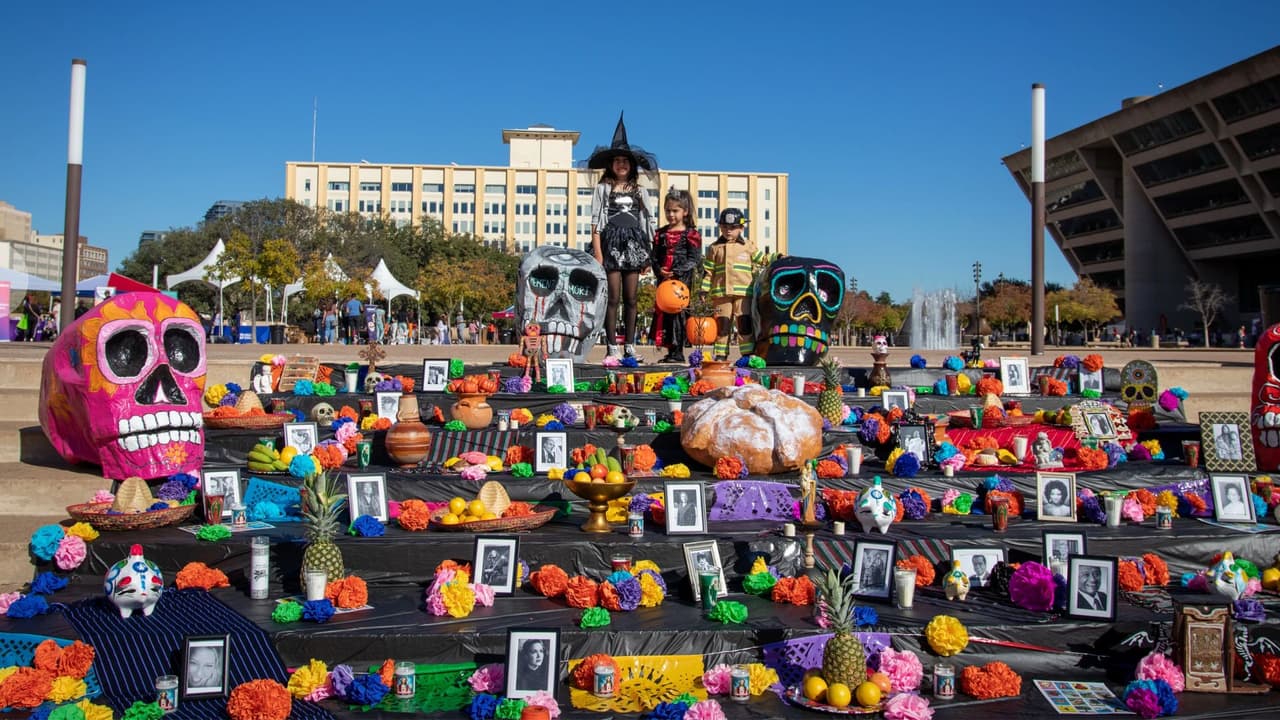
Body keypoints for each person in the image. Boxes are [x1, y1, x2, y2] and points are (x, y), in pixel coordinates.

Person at [589, 113, 657, 361]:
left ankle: (630, 345)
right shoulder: (603, 188)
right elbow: (595, 222)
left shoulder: (640, 191)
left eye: (625, 161)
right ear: (610, 165)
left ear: (631, 165)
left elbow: (648, 222)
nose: (621, 164)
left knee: (631, 297)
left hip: (634, 245)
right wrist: (598, 253)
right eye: (616, 161)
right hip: (611, 244)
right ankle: (611, 346)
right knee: (613, 296)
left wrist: (648, 255)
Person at [700, 208, 769, 361]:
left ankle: (747, 355)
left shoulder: (748, 246)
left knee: (744, 323)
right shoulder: (714, 248)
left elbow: (763, 259)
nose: (728, 231)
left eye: (732, 227)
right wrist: (704, 290)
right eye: (724, 227)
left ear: (741, 228)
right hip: (721, 294)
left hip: (743, 294)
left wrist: (778, 257)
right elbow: (708, 272)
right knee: (722, 325)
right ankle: (720, 355)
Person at [650, 188, 702, 364]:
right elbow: (654, 257)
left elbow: (694, 259)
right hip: (664, 280)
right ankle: (670, 350)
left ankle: (678, 350)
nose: (671, 214)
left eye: (675, 211)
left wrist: (678, 272)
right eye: (667, 211)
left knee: (678, 314)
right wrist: (659, 270)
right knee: (664, 314)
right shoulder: (661, 233)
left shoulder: (691, 234)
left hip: (681, 281)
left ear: (685, 212)